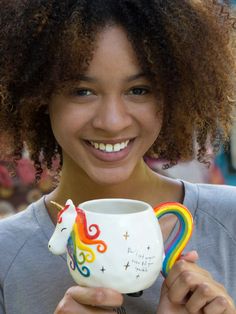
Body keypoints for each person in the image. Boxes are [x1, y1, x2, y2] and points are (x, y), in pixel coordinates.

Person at [0, 0, 236, 313]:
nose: (112, 122)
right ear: (39, 96)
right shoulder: (6, 254)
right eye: (82, 90)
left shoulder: (230, 223)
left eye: (138, 90)